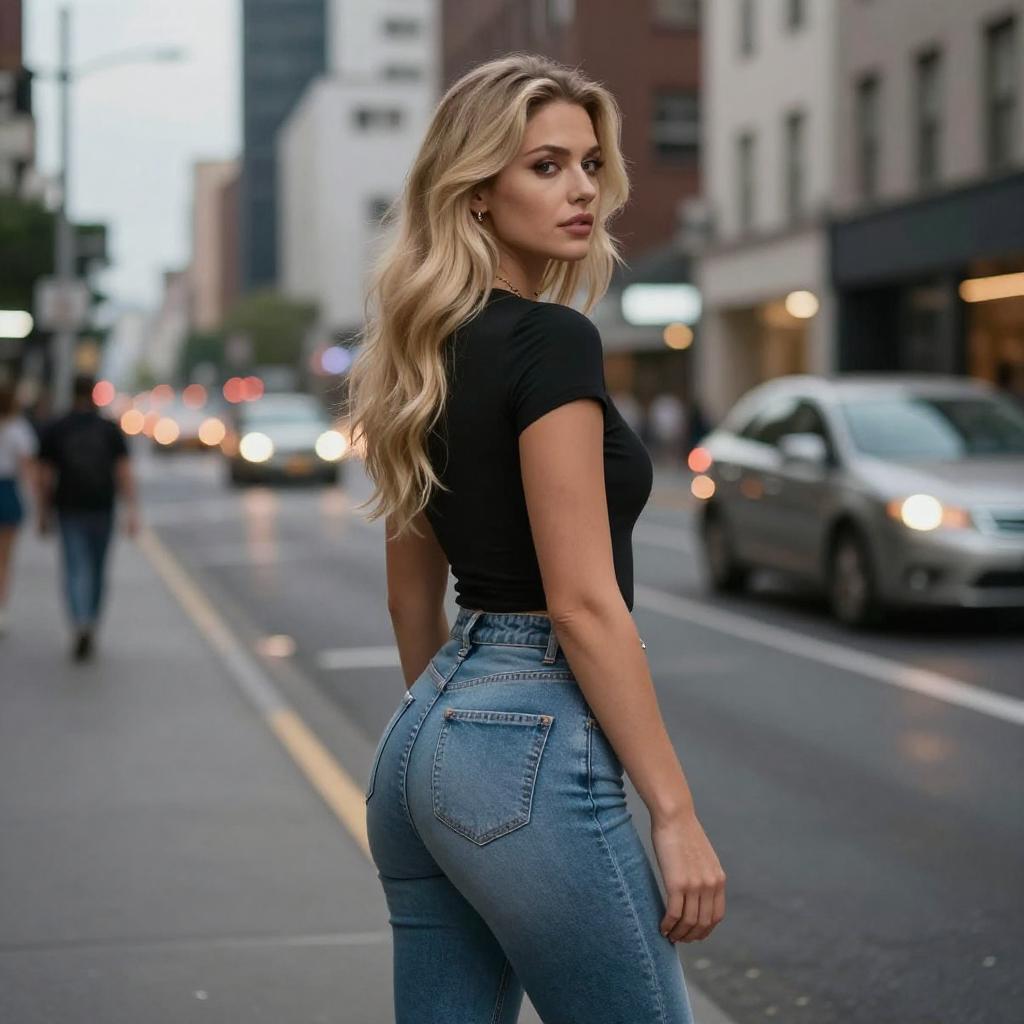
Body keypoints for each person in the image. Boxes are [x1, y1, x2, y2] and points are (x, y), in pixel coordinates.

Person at [346, 54, 725, 1023]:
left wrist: (449, 748)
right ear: (476, 192)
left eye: (590, 164)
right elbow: (583, 602)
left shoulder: (415, 352)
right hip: (529, 726)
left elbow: (408, 594)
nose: (583, 191)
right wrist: (673, 812)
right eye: (546, 166)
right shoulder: (551, 341)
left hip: (423, 738)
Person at [35, 374, 138, 660]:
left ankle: (79, 620)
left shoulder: (57, 428)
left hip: (68, 507)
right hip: (102, 506)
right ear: (94, 394)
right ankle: (90, 620)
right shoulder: (107, 428)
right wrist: (132, 511)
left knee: (74, 566)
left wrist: (43, 512)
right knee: (97, 568)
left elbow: (44, 476)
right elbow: (124, 472)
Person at [0, 381, 38, 633]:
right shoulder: (17, 429)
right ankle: (1, 609)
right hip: (7, 491)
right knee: (4, 559)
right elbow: (27, 468)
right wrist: (37, 501)